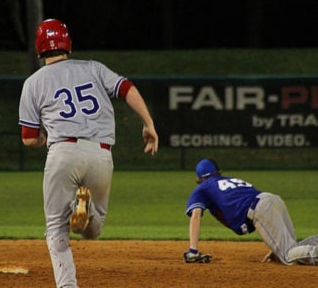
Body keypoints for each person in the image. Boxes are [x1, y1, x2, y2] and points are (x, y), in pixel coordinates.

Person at [18, 18, 159, 287]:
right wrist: (148, 124)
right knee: (93, 231)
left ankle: (68, 285)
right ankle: (85, 208)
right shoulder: (93, 68)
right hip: (100, 153)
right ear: (67, 43)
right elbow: (126, 87)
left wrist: (46, 134)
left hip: (63, 153)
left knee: (57, 230)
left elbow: (28, 138)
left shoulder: (33, 83)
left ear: (39, 47)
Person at [183, 158, 318, 265]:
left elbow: (196, 215)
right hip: (271, 199)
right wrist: (275, 247)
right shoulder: (230, 180)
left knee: (288, 256)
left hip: (259, 207)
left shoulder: (203, 188)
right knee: (292, 247)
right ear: (218, 172)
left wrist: (193, 251)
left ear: (199, 179)